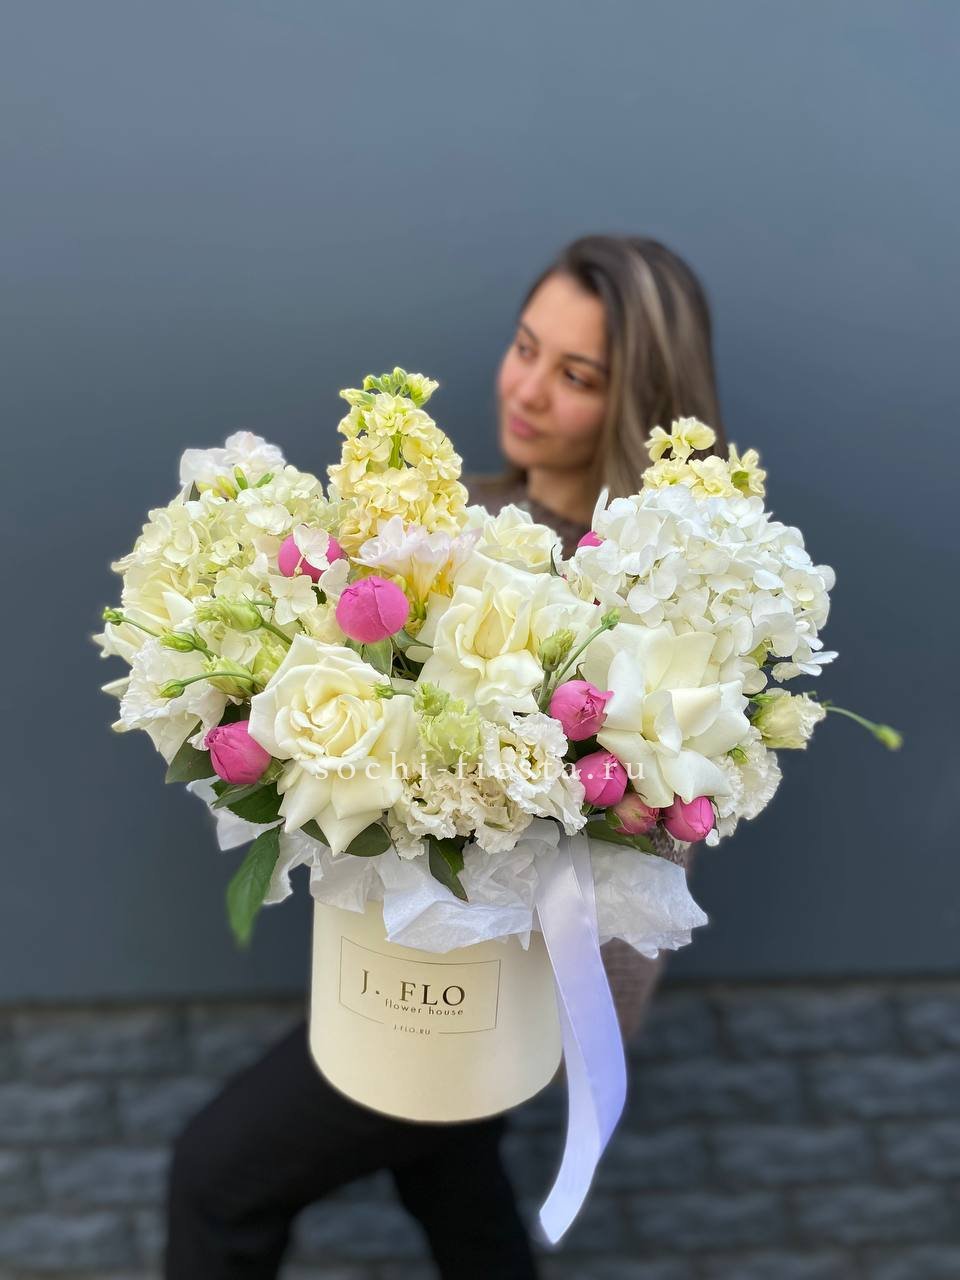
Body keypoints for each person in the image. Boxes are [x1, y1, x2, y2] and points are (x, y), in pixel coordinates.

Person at [164, 233, 728, 1279]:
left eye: (578, 375)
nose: (528, 389)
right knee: (454, 1188)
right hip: (410, 964)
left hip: (478, 993)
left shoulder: (628, 597)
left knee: (216, 1174)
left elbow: (647, 843)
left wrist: (573, 1027)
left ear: (638, 403)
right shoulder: (465, 519)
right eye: (526, 346)